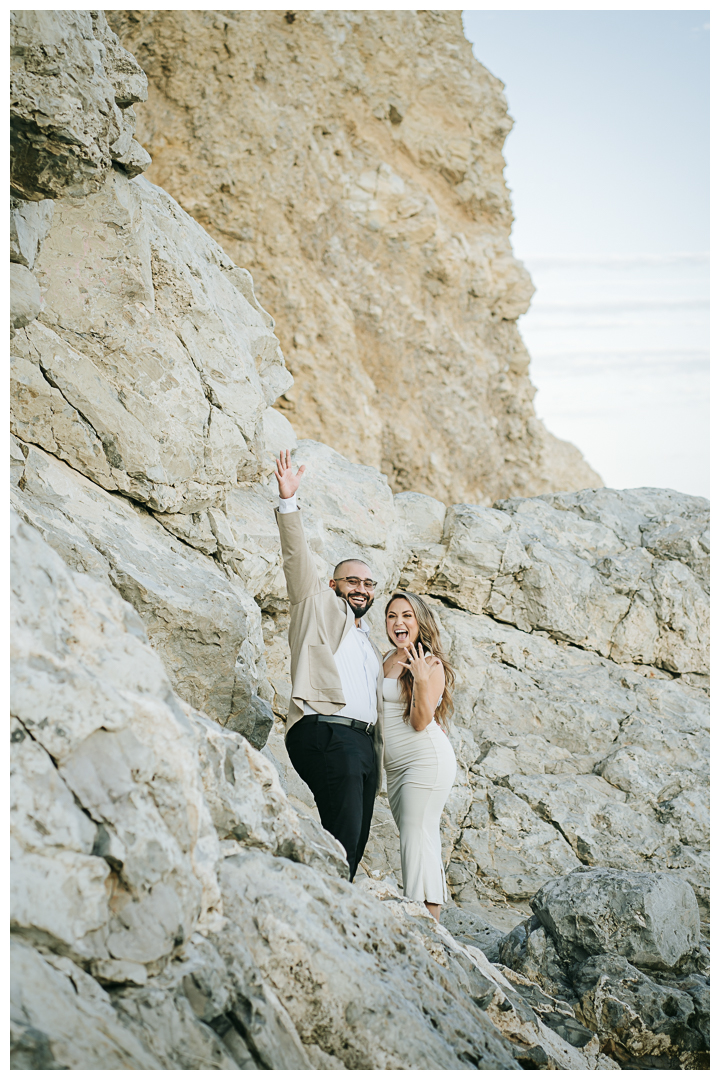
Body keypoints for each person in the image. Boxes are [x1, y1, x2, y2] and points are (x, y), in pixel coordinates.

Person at [273, 449, 384, 881]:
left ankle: (328, 896)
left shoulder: (370, 643)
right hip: (326, 730)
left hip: (362, 746)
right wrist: (288, 502)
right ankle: (321, 895)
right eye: (352, 580)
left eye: (368, 583)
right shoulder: (315, 606)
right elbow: (296, 558)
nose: (361, 588)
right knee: (344, 830)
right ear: (334, 584)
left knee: (353, 838)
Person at [382, 591, 457, 920]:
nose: (398, 622)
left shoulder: (430, 663)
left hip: (425, 761)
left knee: (416, 835)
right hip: (396, 768)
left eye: (406, 615)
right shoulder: (386, 658)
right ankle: (426, 920)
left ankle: (423, 919)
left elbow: (419, 722)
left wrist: (423, 682)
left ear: (420, 622)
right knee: (417, 837)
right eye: (392, 616)